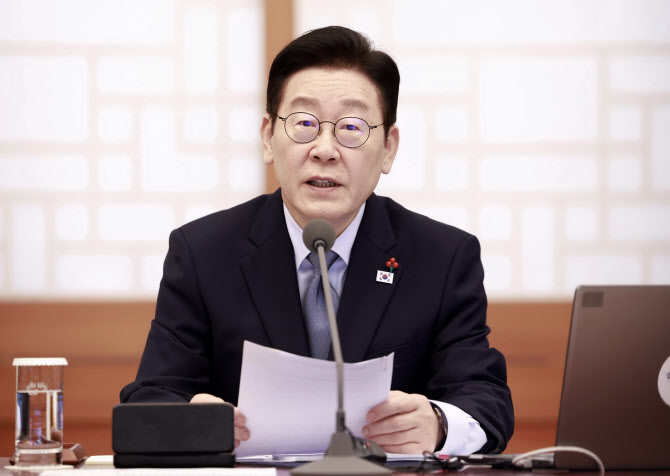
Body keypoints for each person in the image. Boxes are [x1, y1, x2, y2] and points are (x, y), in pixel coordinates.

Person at [121, 25, 514, 456]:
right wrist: (191, 424)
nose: (325, 149)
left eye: (351, 127)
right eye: (305, 123)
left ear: (388, 148)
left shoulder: (441, 257)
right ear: (268, 137)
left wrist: (438, 424)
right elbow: (150, 399)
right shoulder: (203, 252)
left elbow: (486, 401)